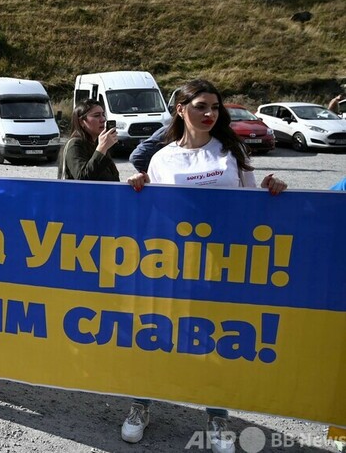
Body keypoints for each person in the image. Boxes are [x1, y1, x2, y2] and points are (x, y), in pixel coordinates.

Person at [124, 79, 286, 453]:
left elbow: (251, 204)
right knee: (156, 336)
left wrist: (272, 189)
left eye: (215, 107)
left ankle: (217, 416)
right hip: (172, 266)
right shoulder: (162, 158)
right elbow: (151, 213)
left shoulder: (231, 151)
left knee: (218, 341)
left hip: (222, 267)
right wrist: (136, 188)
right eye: (201, 106)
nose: (210, 113)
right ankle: (140, 406)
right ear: (181, 109)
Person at [58, 99, 119, 181]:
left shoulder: (97, 143)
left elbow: (113, 177)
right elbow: (83, 178)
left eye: (103, 115)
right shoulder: (75, 144)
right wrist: (101, 149)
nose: (103, 119)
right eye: (97, 115)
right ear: (81, 122)